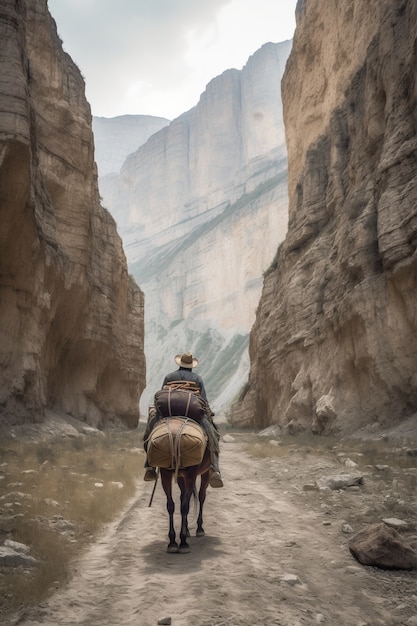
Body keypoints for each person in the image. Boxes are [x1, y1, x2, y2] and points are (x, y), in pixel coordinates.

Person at [144, 351, 223, 488]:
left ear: (180, 364)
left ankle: (150, 467)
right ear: (191, 366)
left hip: (168, 412)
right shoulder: (197, 379)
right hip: (192, 413)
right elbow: (203, 400)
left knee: (151, 430)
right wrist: (209, 414)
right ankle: (215, 469)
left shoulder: (169, 376)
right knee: (213, 434)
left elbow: (162, 394)